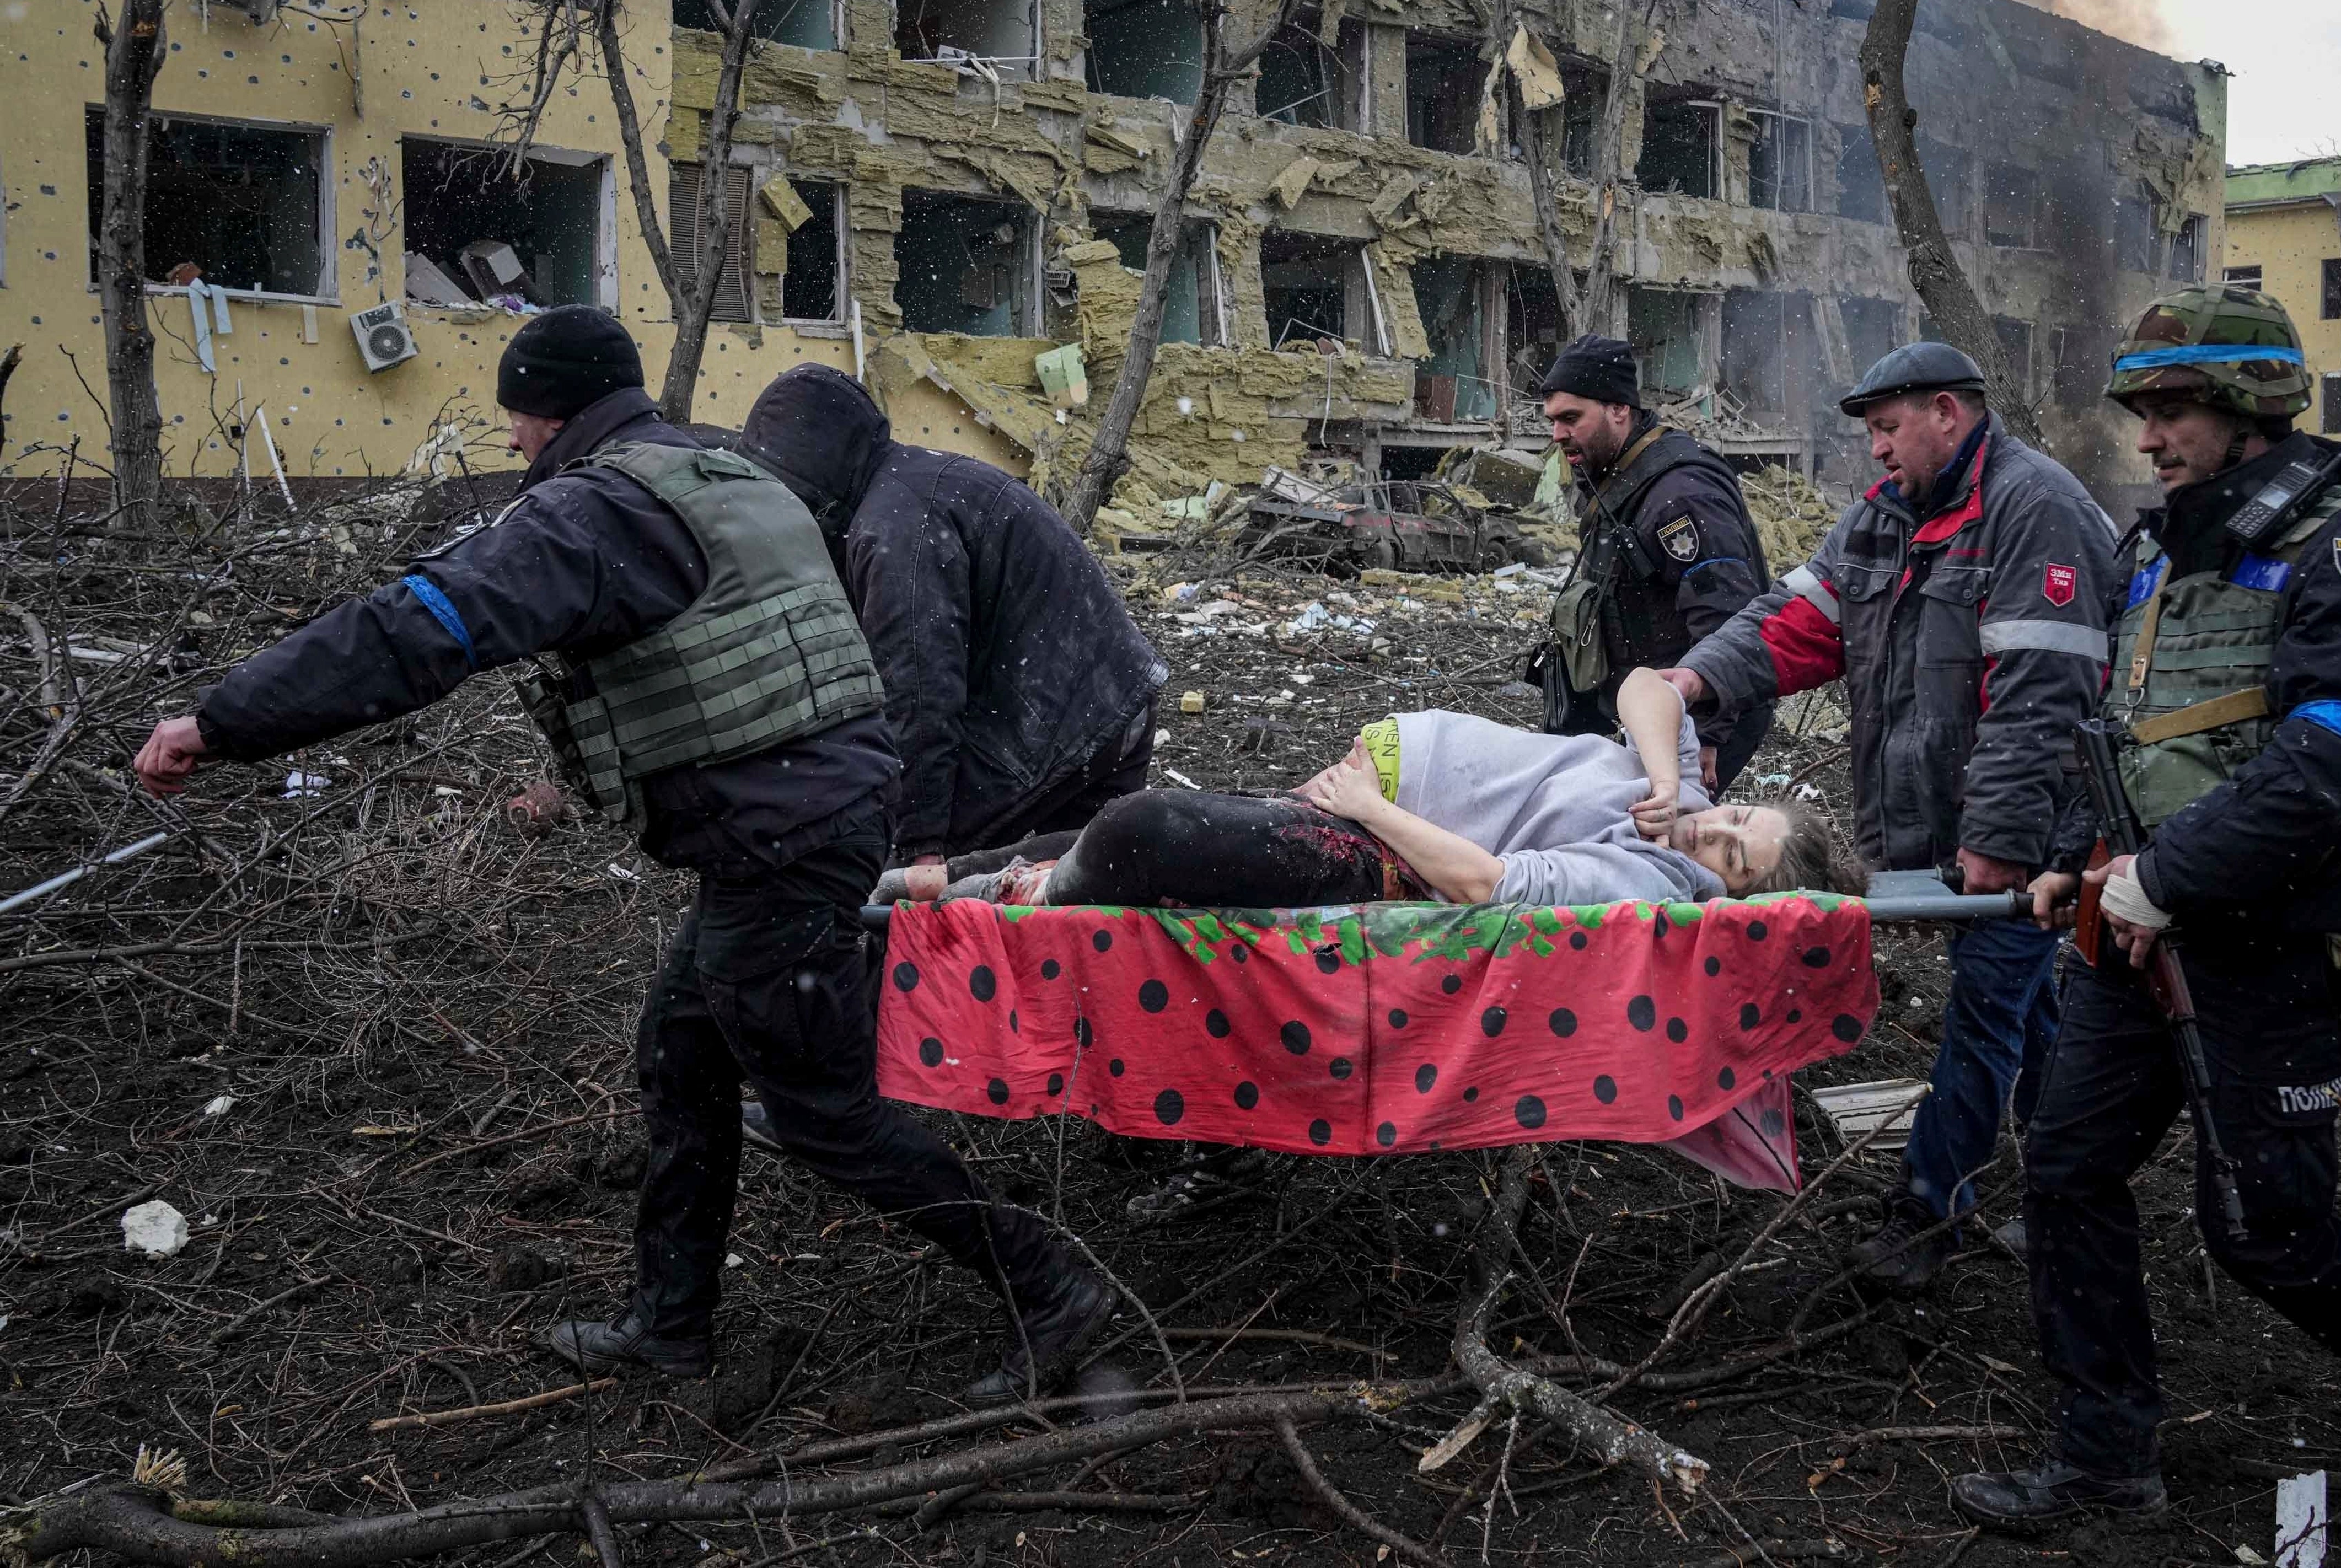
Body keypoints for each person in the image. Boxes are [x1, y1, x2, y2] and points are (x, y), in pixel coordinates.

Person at [130, 311, 1112, 1408]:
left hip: (781, 834)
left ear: (547, 411)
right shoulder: (716, 464)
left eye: (514, 415)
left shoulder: (593, 508)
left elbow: (416, 630)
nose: (509, 441)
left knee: (819, 1106)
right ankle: (669, 1321)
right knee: (682, 1049)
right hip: (815, 811)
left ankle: (1049, 1279)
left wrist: (222, 722)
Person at [1950, 287, 2341, 1532]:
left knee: (2267, 1231)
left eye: (2174, 408)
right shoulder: (2160, 552)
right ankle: (2104, 1467)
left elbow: (2333, 759)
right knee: (2066, 1165)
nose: (2150, 434)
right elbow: (2137, 741)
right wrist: (2090, 862)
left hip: (2270, 942)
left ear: (2249, 410)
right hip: (2139, 937)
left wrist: (2163, 879)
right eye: (2145, 409)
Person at [1663, 340, 2116, 1288]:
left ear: (1948, 412)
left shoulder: (2036, 511)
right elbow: (1793, 622)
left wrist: (1996, 839)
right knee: (2024, 1005)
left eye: (1887, 428)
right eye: (1869, 432)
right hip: (1939, 826)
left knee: (1988, 1009)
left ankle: (1927, 1209)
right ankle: (2070, 1178)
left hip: (2031, 830)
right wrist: (1698, 679)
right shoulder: (1882, 522)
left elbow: (2043, 696)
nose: (1874, 449)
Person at [737, 364, 1166, 904]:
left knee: (901, 889)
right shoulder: (904, 488)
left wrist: (919, 846)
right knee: (1078, 905)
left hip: (1062, 723)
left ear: (807, 482)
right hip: (1108, 703)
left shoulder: (891, 529)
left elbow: (918, 688)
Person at [957, 668, 1844, 911]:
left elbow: (1488, 886)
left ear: (1731, 897)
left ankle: (997, 897)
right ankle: (935, 877)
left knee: (1140, 830)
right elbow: (1648, 686)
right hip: (1375, 785)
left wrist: (1370, 806)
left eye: (1731, 858)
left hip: (1381, 844)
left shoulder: (1648, 879)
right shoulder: (1677, 798)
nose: (1708, 837)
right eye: (1733, 818)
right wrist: (1665, 776)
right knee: (1142, 829)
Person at [1532, 333, 1777, 792]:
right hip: (1647, 706)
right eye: (1552, 420)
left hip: (1692, 715)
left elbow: (1727, 622)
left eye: (1571, 418)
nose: (1558, 435)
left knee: (1665, 841)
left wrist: (1706, 733)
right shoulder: (1619, 473)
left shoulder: (1681, 496)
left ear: (1619, 409)